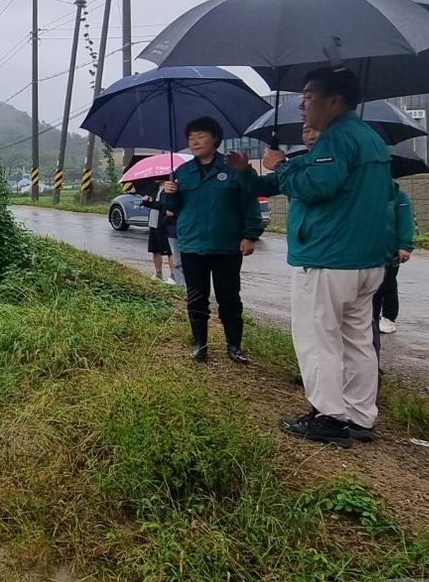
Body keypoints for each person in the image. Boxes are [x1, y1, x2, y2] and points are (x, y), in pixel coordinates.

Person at [236, 67, 392, 448]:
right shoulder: (368, 137)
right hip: (366, 259)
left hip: (329, 257)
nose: (302, 105)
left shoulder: (337, 138)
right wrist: (256, 172)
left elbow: (316, 186)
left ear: (334, 101)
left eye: (308, 96)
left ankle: (329, 417)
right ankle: (359, 415)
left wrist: (282, 165)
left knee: (317, 338)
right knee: (357, 339)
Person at [160, 117, 264, 364]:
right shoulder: (182, 172)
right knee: (196, 296)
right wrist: (169, 194)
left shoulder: (232, 169)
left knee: (229, 296)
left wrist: (250, 235)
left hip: (226, 245)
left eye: (201, 136)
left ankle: (234, 346)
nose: (195, 142)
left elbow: (249, 203)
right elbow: (172, 209)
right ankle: (199, 344)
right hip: (193, 244)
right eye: (191, 138)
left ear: (215, 139)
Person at [373, 182, 414, 347]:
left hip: (389, 251)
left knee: (387, 285)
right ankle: (372, 320)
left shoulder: (398, 195)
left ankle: (389, 317)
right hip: (367, 251)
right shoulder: (363, 191)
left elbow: (405, 220)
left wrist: (405, 245)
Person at [140, 184, 178, 283]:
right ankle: (158, 273)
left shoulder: (170, 187)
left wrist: (150, 203)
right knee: (155, 249)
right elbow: (153, 203)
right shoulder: (154, 187)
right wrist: (145, 201)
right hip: (153, 222)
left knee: (170, 251)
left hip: (166, 223)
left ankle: (174, 276)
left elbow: (163, 205)